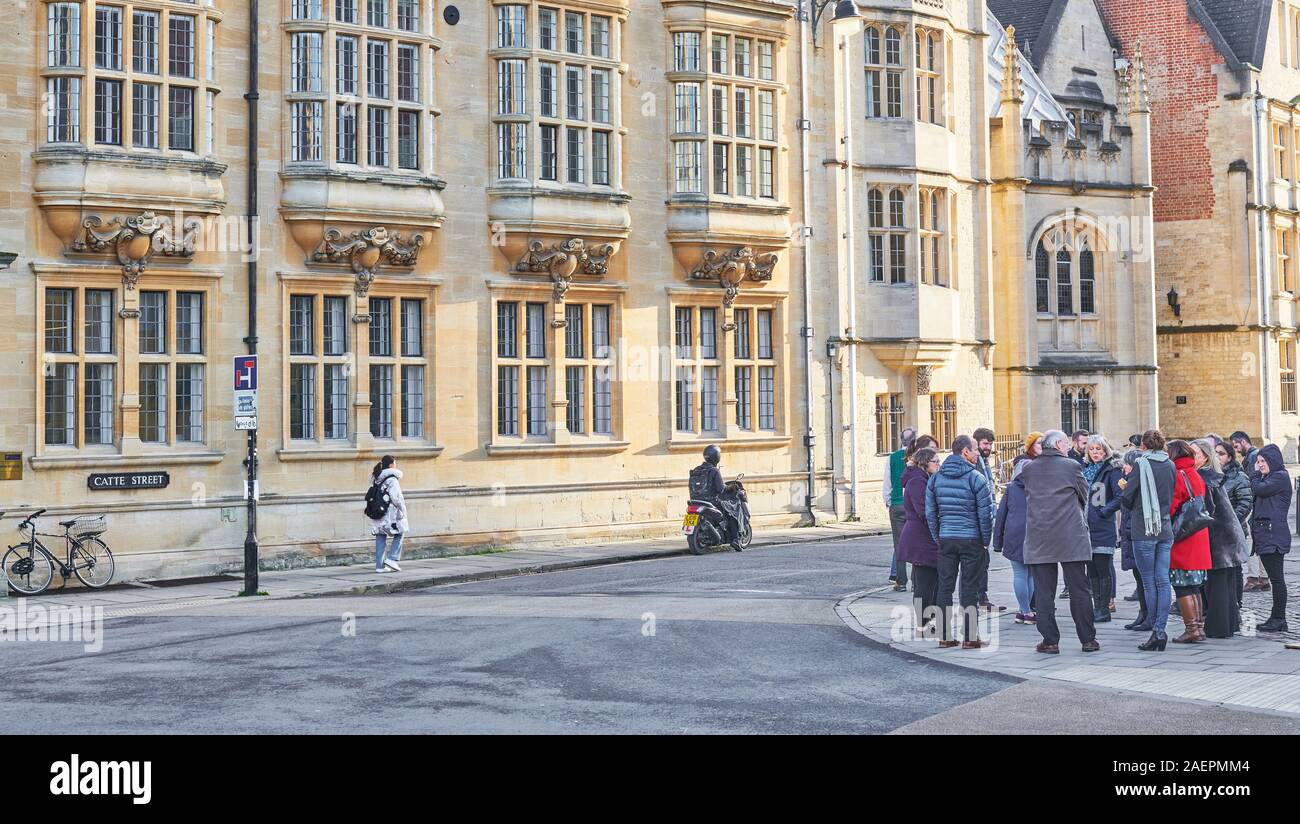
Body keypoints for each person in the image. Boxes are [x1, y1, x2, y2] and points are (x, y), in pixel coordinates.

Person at [1020, 430, 1099, 654]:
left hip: (1039, 537)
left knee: (1044, 592)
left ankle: (1050, 640)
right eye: (1065, 443)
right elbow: (1085, 495)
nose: (1068, 447)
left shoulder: (1029, 468)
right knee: (1079, 589)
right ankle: (1088, 639)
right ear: (1057, 444)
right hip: (1070, 535)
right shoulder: (1071, 466)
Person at [925, 435, 995, 650]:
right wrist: (985, 541)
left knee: (945, 587)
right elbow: (985, 513)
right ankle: (970, 637)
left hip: (947, 538)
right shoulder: (976, 478)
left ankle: (945, 636)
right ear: (965, 452)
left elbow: (930, 512)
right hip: (971, 538)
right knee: (969, 588)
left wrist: (938, 536)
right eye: (974, 449)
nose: (976, 454)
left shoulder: (936, 478)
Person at [1122, 430, 1177, 651]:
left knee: (1148, 581)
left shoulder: (1141, 465)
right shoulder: (1170, 465)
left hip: (1143, 528)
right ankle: (1160, 629)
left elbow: (1127, 498)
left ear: (1144, 445)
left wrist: (1126, 487)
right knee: (1163, 580)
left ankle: (1156, 630)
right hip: (1164, 527)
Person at [1193, 438, 1248, 639]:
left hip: (1220, 537)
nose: (1192, 458)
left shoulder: (1205, 477)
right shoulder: (1212, 475)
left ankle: (1218, 628)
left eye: (1195, 454)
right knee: (1225, 583)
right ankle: (1229, 624)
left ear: (1205, 457)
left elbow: (1206, 511)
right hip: (1227, 534)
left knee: (1217, 584)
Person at [1167, 439, 1212, 644]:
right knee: (1194, 586)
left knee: (1182, 585)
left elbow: (1172, 506)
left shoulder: (1178, 474)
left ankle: (1192, 629)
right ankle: (1198, 628)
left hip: (1183, 536)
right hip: (1197, 533)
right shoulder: (1194, 472)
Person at [899, 447, 941, 635]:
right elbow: (923, 510)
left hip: (925, 535)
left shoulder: (923, 478)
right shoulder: (917, 481)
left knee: (931, 581)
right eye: (935, 461)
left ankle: (929, 621)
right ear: (925, 463)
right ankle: (922, 625)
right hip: (920, 537)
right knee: (924, 582)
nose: (939, 465)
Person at [1250, 444, 1292, 633]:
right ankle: (1276, 617)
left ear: (1272, 460)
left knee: (1276, 579)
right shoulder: (1270, 477)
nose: (1259, 465)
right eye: (1258, 462)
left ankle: (1279, 619)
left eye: (1263, 461)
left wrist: (1255, 475)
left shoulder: (1279, 477)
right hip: (1267, 534)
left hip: (1273, 535)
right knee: (1276, 579)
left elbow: (1258, 489)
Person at [1083, 435, 1124, 623]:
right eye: (1092, 450)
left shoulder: (1111, 470)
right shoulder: (1086, 470)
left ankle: (1104, 608)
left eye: (1099, 449)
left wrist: (1103, 512)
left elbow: (1120, 496)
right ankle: (1096, 606)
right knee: (1091, 570)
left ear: (1105, 450)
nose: (1095, 453)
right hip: (1086, 528)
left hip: (1102, 527)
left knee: (1102, 568)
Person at [1212, 436, 1253, 610]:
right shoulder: (1214, 475)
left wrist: (1232, 519)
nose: (1218, 457)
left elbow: (1246, 502)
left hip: (1234, 528)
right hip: (1217, 529)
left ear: (1229, 457)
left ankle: (1237, 602)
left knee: (1235, 567)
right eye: (1215, 453)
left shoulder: (1239, 477)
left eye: (1221, 454)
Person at [992, 458, 1034, 623]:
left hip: (1014, 534)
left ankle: (1024, 610)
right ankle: (1027, 611)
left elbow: (1001, 515)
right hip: (1034, 533)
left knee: (1019, 573)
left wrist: (997, 542)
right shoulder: (1040, 487)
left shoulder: (1011, 489)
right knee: (1031, 575)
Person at [1116, 450, 1149, 629]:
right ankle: (1143, 613)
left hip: (1138, 533)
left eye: (1128, 464)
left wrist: (1126, 490)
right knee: (1138, 578)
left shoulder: (1139, 483)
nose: (1124, 467)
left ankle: (1147, 614)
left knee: (1144, 579)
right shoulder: (1130, 482)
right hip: (1130, 533)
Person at [882, 427, 918, 591]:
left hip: (897, 503)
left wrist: (889, 501)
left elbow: (887, 482)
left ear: (900, 440)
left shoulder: (892, 457)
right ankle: (916, 581)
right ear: (914, 440)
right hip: (914, 504)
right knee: (918, 542)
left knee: (899, 544)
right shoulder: (918, 457)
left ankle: (901, 581)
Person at [973, 427, 1003, 612]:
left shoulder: (984, 461)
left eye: (990, 444)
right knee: (977, 561)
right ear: (976, 443)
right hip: (976, 520)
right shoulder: (975, 463)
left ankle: (982, 597)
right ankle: (977, 598)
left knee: (984, 561)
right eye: (985, 443)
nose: (988, 447)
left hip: (986, 517)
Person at [689, 444, 741, 550]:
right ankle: (735, 539)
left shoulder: (695, 471)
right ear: (717, 457)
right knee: (732, 512)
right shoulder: (714, 471)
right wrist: (731, 487)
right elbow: (721, 489)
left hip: (695, 502)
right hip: (712, 502)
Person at [368, 455, 409, 573]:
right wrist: (403, 511)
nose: (396, 465)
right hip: (391, 513)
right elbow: (396, 498)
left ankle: (380, 566)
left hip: (378, 512)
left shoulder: (377, 479)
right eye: (395, 463)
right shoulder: (392, 479)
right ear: (391, 465)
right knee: (400, 532)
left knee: (380, 536)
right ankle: (392, 558)